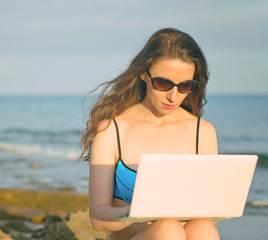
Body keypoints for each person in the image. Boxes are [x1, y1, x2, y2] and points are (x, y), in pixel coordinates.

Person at [80, 28, 220, 240]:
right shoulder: (112, 129)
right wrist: (142, 212)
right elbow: (98, 219)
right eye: (163, 83)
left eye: (184, 86)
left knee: (204, 229)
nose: (173, 96)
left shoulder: (204, 132)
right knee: (167, 229)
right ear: (144, 74)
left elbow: (211, 213)